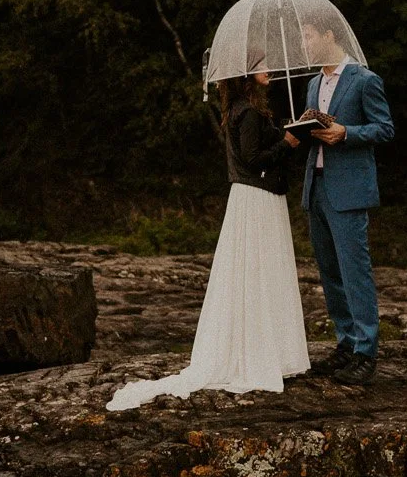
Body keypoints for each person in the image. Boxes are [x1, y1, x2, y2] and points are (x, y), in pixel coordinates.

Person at [105, 60, 308, 411]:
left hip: (261, 196)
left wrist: (294, 128)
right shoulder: (247, 113)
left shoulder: (251, 110)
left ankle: (271, 349)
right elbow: (253, 160)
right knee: (256, 272)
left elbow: (262, 151)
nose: (268, 69)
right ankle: (255, 354)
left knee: (263, 272)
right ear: (246, 75)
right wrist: (288, 143)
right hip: (256, 197)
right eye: (260, 65)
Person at [296, 13, 394, 386]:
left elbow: (385, 129)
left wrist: (346, 133)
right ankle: (346, 343)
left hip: (349, 190)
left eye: (307, 36)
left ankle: (366, 352)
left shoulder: (364, 80)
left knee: (355, 273)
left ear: (328, 34)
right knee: (331, 273)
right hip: (316, 186)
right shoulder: (312, 84)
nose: (304, 44)